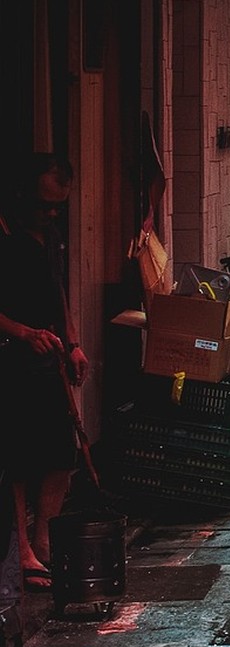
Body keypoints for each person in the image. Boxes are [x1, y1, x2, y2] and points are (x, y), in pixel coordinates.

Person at [0, 153, 88, 592]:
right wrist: (21, 332)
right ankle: (23, 553)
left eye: (58, 207)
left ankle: (45, 540)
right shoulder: (5, 235)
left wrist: (72, 344)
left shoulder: (51, 235)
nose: (51, 214)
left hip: (48, 357)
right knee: (17, 461)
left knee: (61, 456)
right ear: (20, 194)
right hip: (10, 360)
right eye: (43, 205)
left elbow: (58, 293)